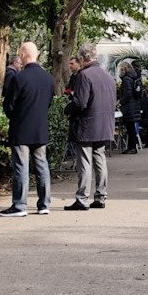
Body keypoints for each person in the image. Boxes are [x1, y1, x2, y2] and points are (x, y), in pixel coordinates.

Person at [0, 42, 55, 217]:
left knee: (21, 167)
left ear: (23, 54)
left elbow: (8, 104)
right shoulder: (48, 78)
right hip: (40, 127)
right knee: (41, 165)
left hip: (21, 128)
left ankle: (20, 205)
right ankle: (44, 204)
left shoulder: (18, 78)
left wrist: (15, 116)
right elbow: (50, 102)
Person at [64, 44, 116, 211]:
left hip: (87, 125)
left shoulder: (84, 75)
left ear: (82, 58)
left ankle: (82, 198)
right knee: (100, 160)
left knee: (85, 162)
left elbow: (80, 102)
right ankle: (101, 196)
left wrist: (68, 108)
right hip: (104, 125)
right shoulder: (108, 76)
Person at [117, 61, 142, 154]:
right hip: (134, 105)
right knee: (131, 127)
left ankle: (132, 148)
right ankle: (132, 147)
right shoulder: (134, 77)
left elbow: (128, 93)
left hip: (129, 106)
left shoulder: (126, 79)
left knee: (130, 128)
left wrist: (120, 102)